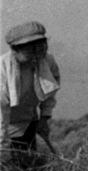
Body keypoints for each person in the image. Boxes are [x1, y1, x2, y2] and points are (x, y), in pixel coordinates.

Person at [0, 21, 60, 157]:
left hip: (28, 121)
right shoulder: (2, 69)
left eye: (40, 46)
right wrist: (2, 148)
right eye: (31, 48)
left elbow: (50, 91)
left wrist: (44, 118)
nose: (37, 51)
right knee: (6, 167)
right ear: (15, 49)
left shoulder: (47, 61)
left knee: (27, 164)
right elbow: (1, 111)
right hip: (3, 124)